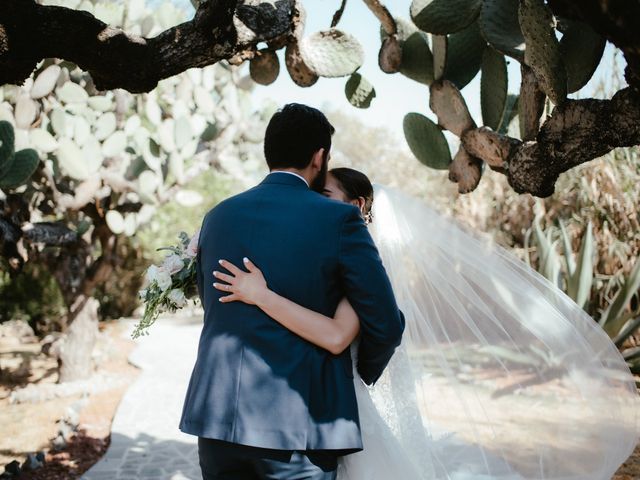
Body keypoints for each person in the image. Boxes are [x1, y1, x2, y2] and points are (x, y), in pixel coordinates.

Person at [213, 168, 640, 480]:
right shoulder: (324, 255)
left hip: (334, 404)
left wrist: (261, 295)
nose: (315, 204)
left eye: (326, 195)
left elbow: (340, 334)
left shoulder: (358, 267)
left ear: (357, 206)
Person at [179, 104, 405, 480]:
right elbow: (385, 322)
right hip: (297, 429)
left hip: (217, 421)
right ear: (319, 157)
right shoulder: (339, 219)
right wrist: (358, 367)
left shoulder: (217, 216)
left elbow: (212, 301)